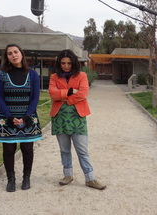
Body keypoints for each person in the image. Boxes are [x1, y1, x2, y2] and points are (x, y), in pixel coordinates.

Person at [49, 49, 106, 190]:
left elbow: (83, 93)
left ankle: (90, 178)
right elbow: (52, 93)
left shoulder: (82, 76)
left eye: (69, 63)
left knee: (82, 149)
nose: (66, 66)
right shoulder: (54, 77)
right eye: (63, 63)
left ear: (74, 63)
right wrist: (68, 92)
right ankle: (68, 175)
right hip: (59, 118)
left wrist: (66, 99)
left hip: (78, 118)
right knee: (64, 149)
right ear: (59, 63)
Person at [0, 44, 43, 192]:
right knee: (8, 149)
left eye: (16, 52)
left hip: (28, 117)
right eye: (10, 53)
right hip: (6, 118)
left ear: (21, 54)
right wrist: (9, 117)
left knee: (27, 148)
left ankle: (26, 178)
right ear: (6, 57)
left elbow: (35, 97)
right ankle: (11, 179)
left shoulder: (32, 74)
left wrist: (27, 116)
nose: (13, 55)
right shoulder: (1, 74)